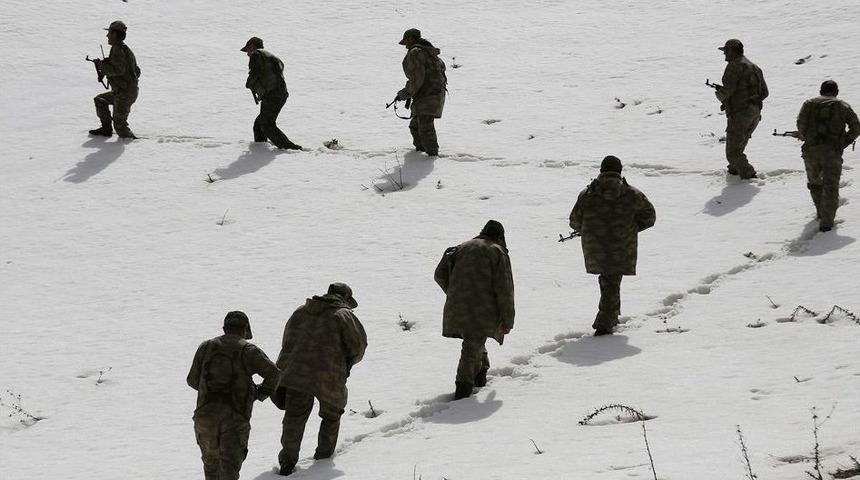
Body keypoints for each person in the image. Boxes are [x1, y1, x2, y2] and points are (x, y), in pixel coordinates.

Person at [274, 283, 367, 476]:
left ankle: (287, 463)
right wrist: (346, 363)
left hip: (296, 373)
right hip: (329, 375)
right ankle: (323, 462)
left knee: (294, 418)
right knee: (331, 416)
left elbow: (287, 341)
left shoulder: (300, 311)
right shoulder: (344, 315)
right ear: (346, 298)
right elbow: (358, 347)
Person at [187, 311, 280, 480]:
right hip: (234, 418)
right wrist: (258, 393)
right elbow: (274, 374)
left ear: (224, 328)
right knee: (229, 468)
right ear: (245, 329)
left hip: (205, 417)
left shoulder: (206, 347)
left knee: (211, 466)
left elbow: (192, 380)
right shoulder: (248, 350)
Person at [569, 156, 656, 336]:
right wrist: (630, 230)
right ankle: (604, 323)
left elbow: (574, 221)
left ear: (601, 170)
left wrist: (592, 231)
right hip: (622, 247)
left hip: (595, 247)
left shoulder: (587, 194)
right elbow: (649, 216)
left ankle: (611, 316)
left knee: (609, 279)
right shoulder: (632, 194)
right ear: (620, 171)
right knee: (611, 280)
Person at [434, 220, 515, 400]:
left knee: (475, 340)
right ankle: (463, 391)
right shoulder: (497, 252)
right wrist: (507, 321)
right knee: (472, 345)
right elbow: (505, 290)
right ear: (500, 237)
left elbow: (439, 274)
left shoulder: (461, 247)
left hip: (457, 306)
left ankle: (481, 375)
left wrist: (454, 293)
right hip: (482, 309)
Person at [796, 80, 860, 232]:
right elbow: (856, 127)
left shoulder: (808, 103)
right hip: (832, 153)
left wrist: (807, 136)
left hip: (811, 152)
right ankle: (827, 221)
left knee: (814, 183)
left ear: (821, 91)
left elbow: (800, 125)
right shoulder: (842, 106)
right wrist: (844, 142)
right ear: (836, 92)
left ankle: (820, 211)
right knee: (831, 186)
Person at [714, 38, 768, 179]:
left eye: (725, 51)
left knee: (733, 152)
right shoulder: (755, 67)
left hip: (740, 115)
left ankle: (748, 175)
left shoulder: (734, 66)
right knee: (738, 147)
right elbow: (765, 93)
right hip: (755, 114)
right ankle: (734, 170)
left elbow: (727, 91)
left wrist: (720, 94)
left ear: (732, 51)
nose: (724, 55)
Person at [241, 37, 302, 150]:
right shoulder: (270, 57)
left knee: (266, 124)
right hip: (279, 94)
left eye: (248, 50)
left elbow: (255, 73)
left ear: (252, 46)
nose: (247, 54)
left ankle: (290, 148)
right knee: (259, 125)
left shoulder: (257, 55)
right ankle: (260, 148)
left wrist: (249, 82)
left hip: (272, 94)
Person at [395, 28, 447, 157]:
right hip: (435, 94)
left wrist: (406, 92)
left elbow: (417, 77)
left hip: (427, 95)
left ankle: (431, 157)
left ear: (411, 39)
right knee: (415, 126)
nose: (405, 45)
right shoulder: (430, 53)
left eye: (406, 41)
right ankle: (419, 156)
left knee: (425, 128)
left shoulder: (415, 52)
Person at [89, 20, 140, 139]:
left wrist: (103, 66)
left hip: (124, 94)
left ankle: (135, 145)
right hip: (124, 91)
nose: (107, 35)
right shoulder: (124, 49)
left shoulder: (117, 49)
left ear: (115, 34)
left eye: (109, 33)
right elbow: (136, 70)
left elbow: (119, 70)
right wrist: (108, 63)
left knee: (120, 127)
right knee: (100, 100)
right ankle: (106, 129)